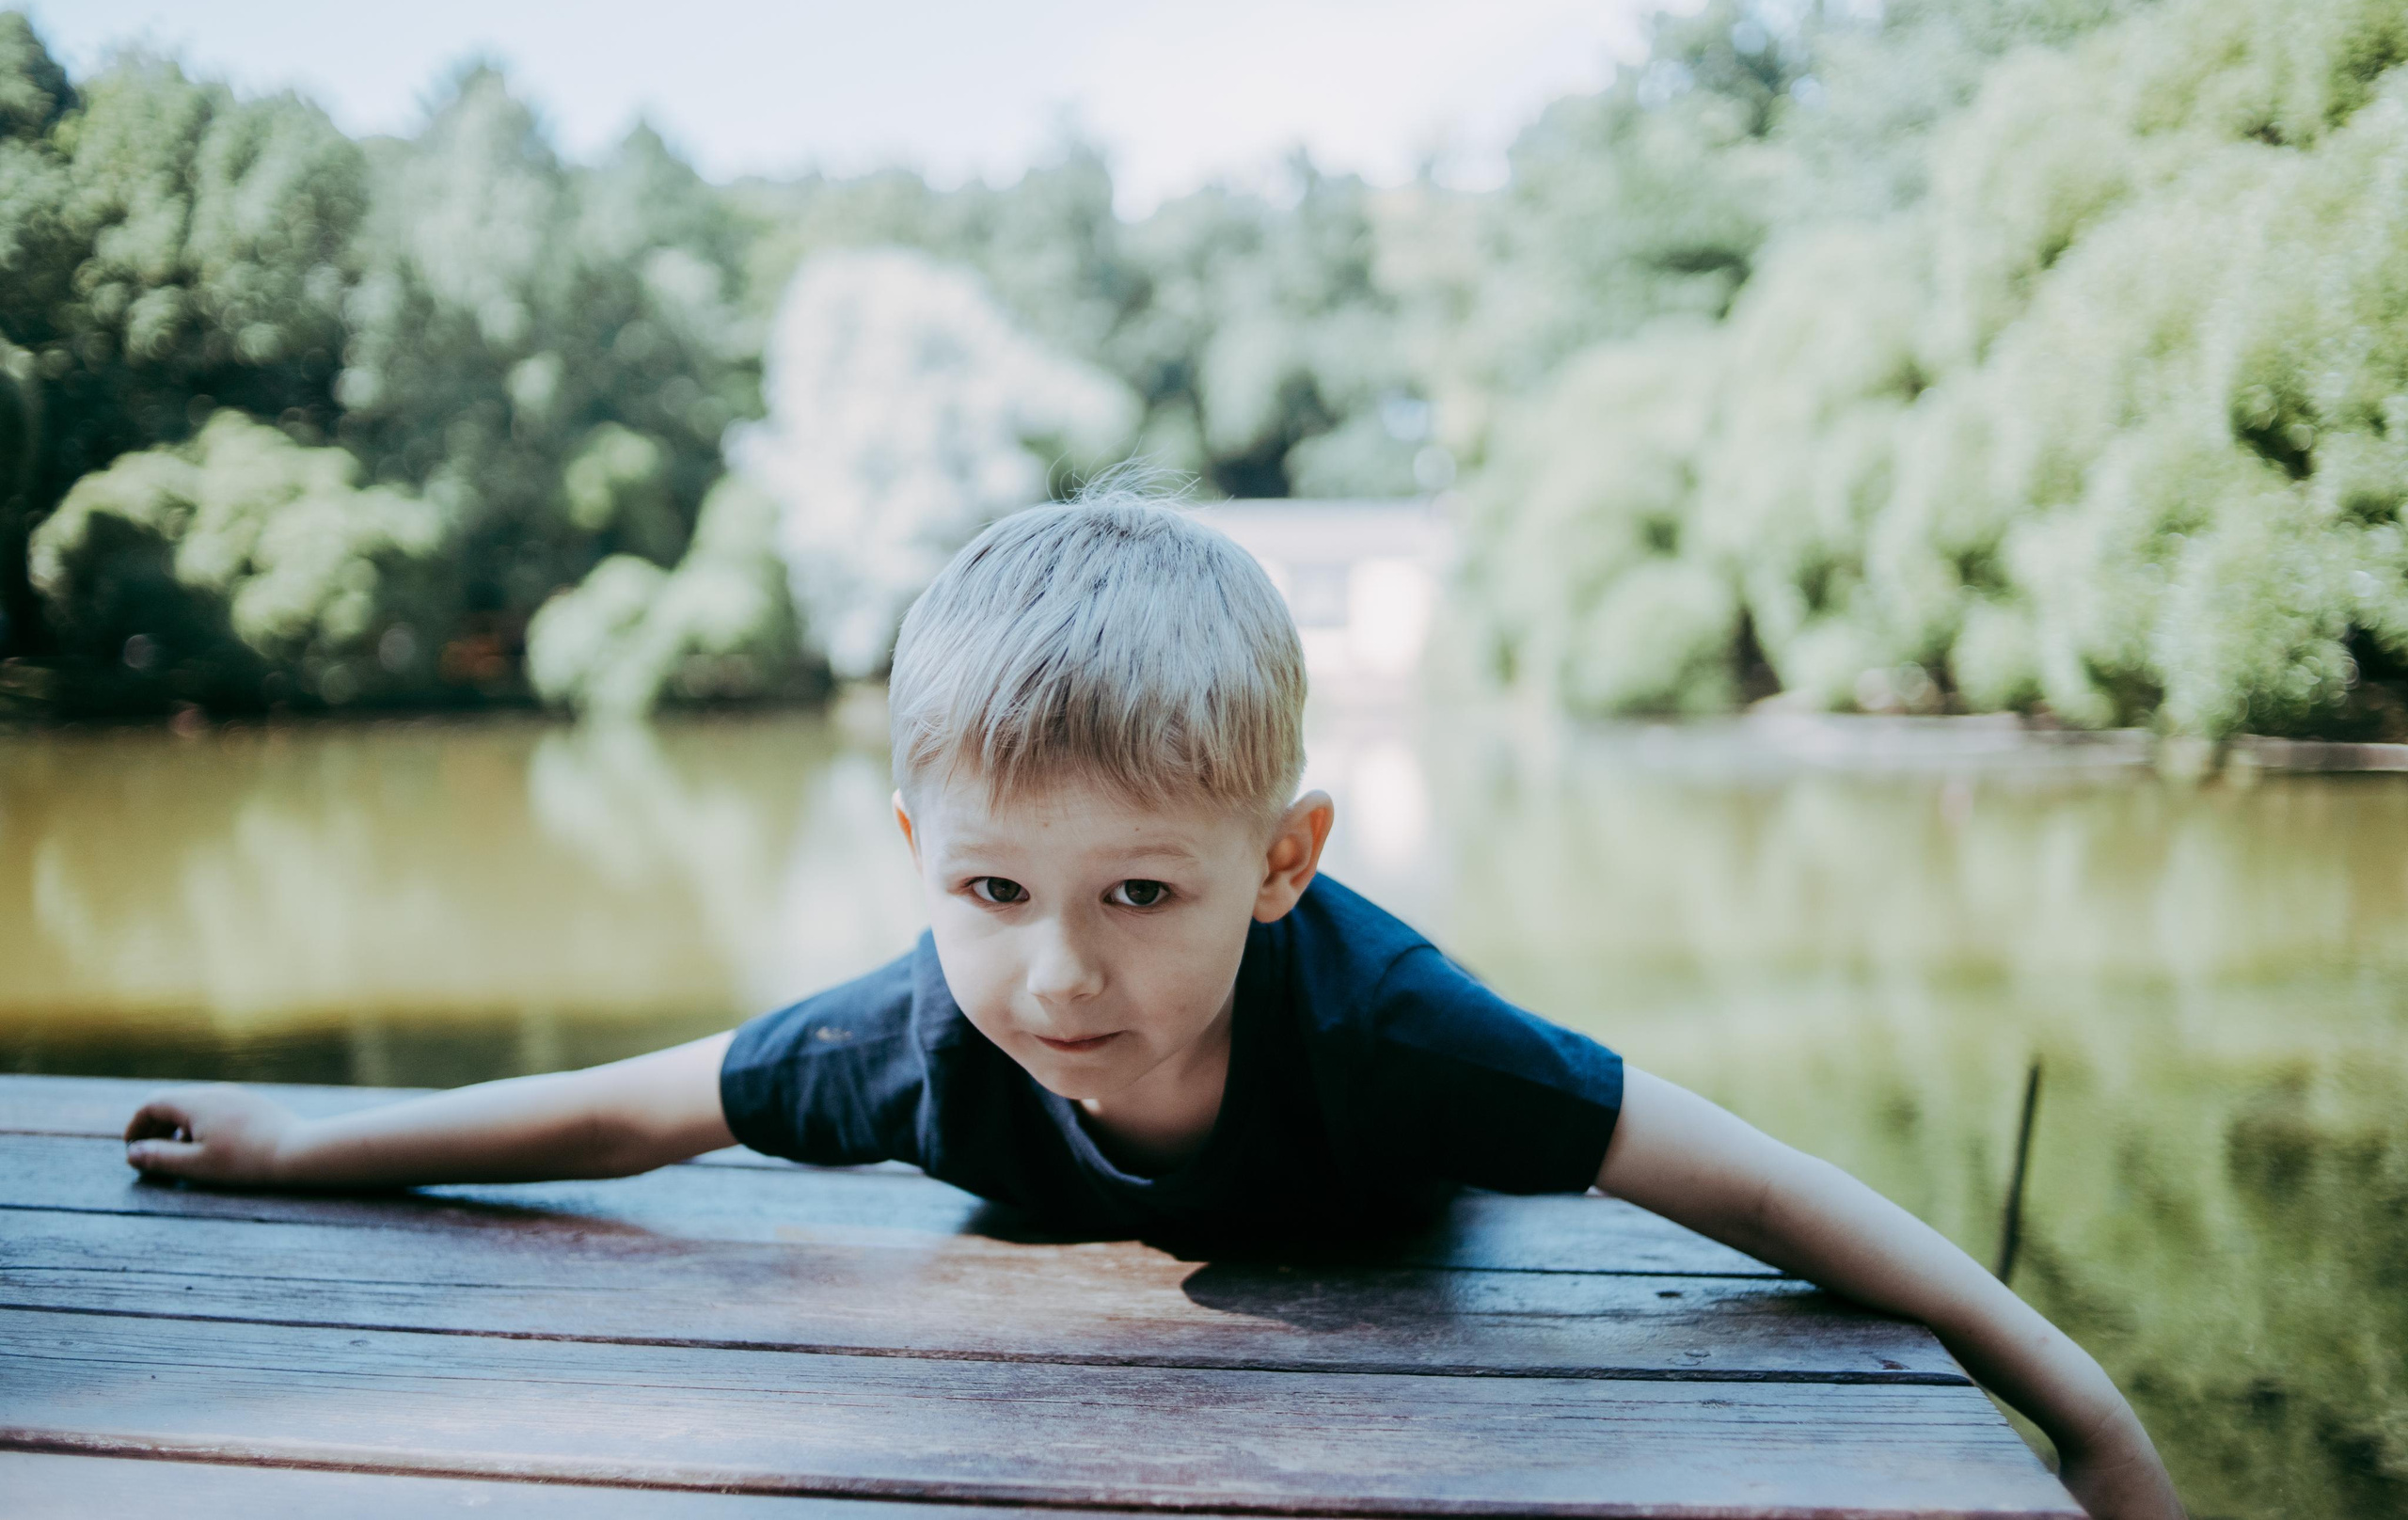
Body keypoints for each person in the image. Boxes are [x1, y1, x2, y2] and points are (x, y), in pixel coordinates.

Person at [123, 492, 2183, 1520]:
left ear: (1278, 864)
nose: (1056, 967)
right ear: (917, 842)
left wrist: (2069, 1398)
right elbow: (616, 1115)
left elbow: (1749, 1182)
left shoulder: (1398, 1033)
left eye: (1141, 892)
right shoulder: (914, 1030)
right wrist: (300, 1137)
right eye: (991, 887)